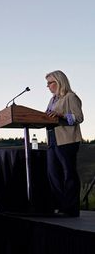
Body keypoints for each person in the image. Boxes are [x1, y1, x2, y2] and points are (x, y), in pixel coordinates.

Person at [45, 70, 84, 217]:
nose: (48, 86)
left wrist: (62, 115)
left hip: (67, 140)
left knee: (69, 174)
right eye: (47, 83)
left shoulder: (70, 97)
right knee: (53, 174)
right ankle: (60, 205)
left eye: (50, 82)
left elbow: (79, 117)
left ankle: (71, 208)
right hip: (52, 140)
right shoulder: (52, 100)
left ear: (59, 81)